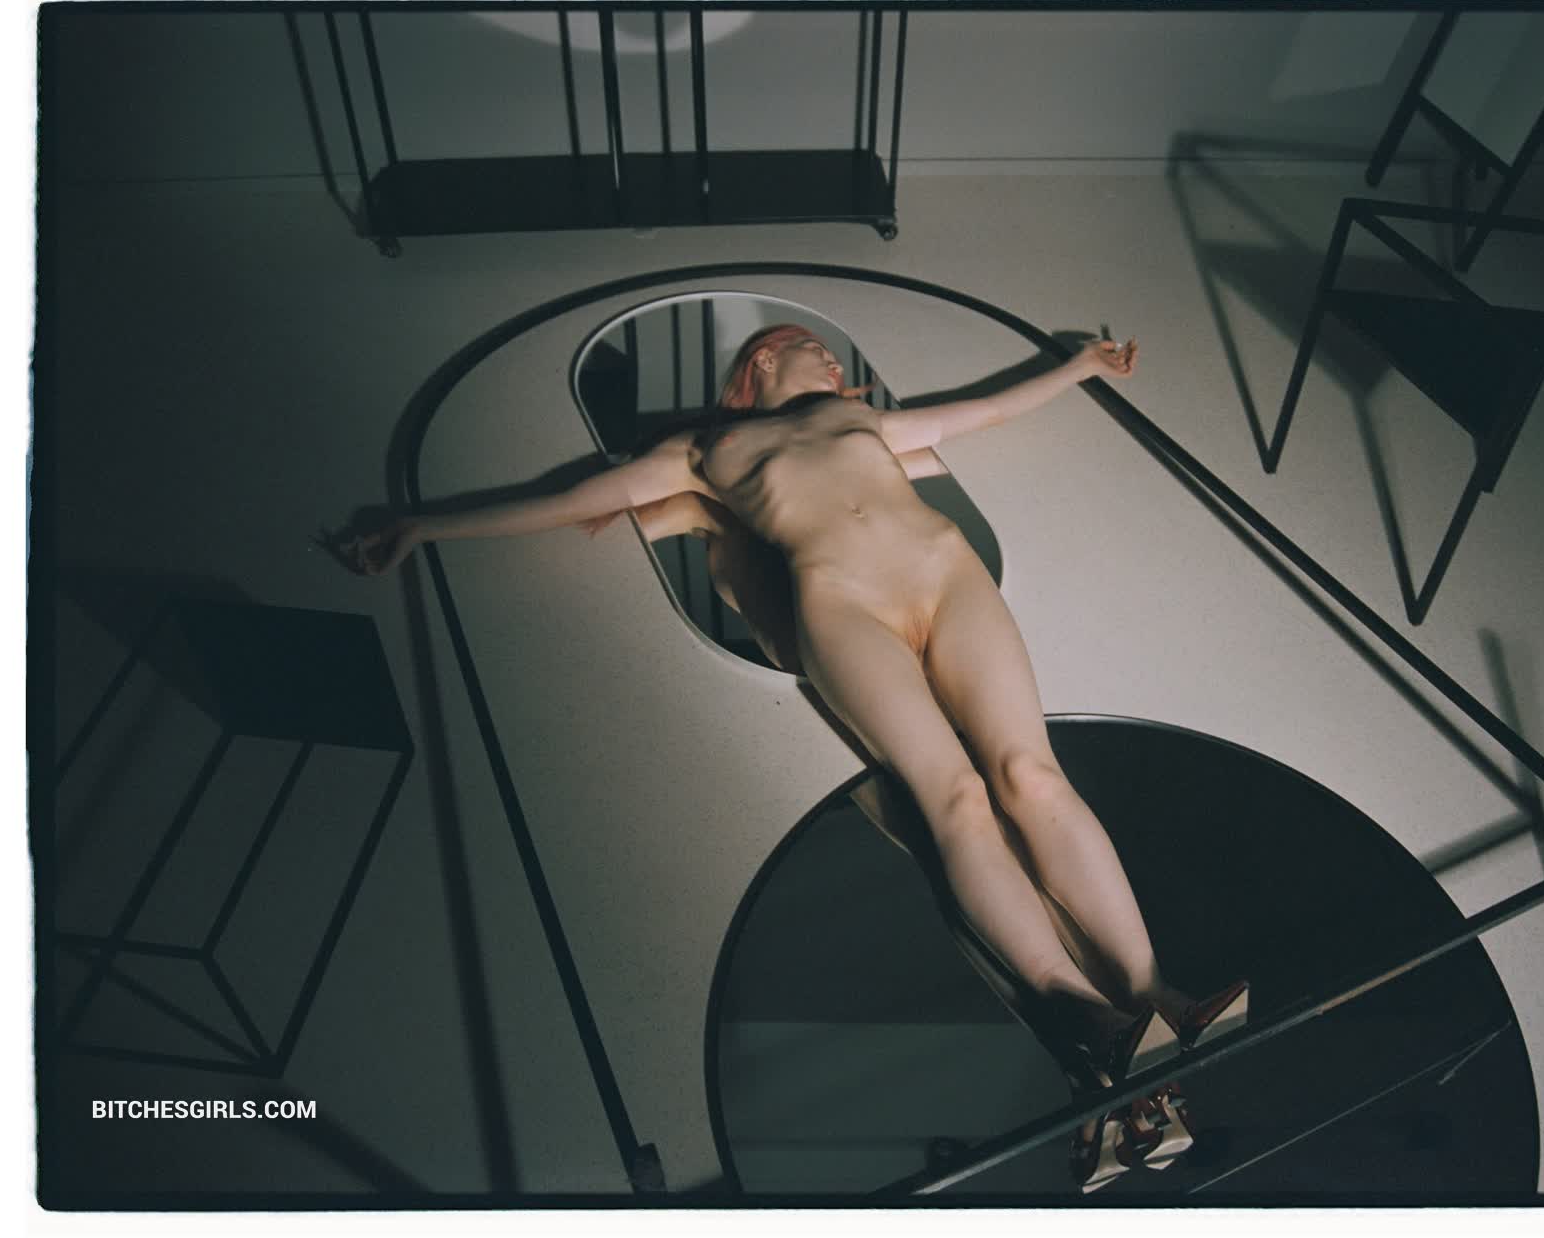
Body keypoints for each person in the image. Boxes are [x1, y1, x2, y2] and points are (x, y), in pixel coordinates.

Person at [334, 322, 1246, 1189]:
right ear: (761, 365)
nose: (828, 360)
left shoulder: (857, 419)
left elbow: (983, 411)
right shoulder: (706, 452)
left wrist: (1080, 366)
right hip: (843, 607)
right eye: (808, 347)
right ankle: (1084, 1011)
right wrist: (421, 526)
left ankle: (1158, 992)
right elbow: (574, 497)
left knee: (1032, 774)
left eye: (830, 354)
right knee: (957, 800)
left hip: (944, 570)